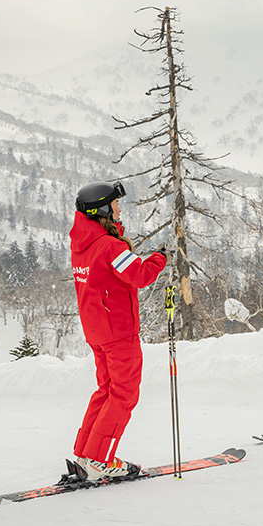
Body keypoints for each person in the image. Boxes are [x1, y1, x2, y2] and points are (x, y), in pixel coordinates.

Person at [69, 180, 167, 480]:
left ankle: (87, 455)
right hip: (118, 331)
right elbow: (139, 275)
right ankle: (101, 461)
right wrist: (161, 258)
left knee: (106, 391)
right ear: (102, 210)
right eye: (115, 205)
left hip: (97, 331)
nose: (119, 209)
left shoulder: (82, 244)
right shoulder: (109, 246)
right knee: (124, 395)